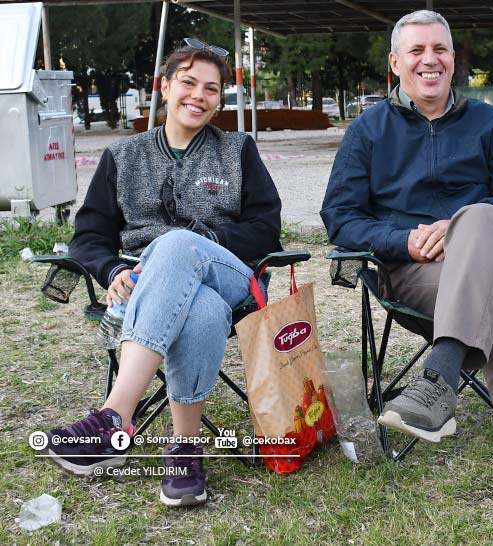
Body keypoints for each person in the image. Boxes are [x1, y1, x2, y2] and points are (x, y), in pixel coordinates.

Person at [321, 10, 493, 524]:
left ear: (454, 60)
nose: (429, 60)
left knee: (479, 216)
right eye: (416, 50)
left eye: (439, 49)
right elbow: (341, 217)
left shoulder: (488, 122)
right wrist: (403, 240)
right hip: (416, 272)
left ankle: (438, 378)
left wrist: (459, 226)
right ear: (395, 63)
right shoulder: (368, 130)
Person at [43, 40, 282, 507]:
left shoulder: (238, 150)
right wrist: (112, 268)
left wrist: (202, 241)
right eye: (188, 83)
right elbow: (88, 237)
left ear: (219, 100)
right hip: (145, 287)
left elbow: (266, 229)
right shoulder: (123, 155)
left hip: (229, 278)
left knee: (176, 246)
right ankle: (184, 451)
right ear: (166, 87)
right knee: (201, 310)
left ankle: (114, 416)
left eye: (211, 89)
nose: (199, 96)